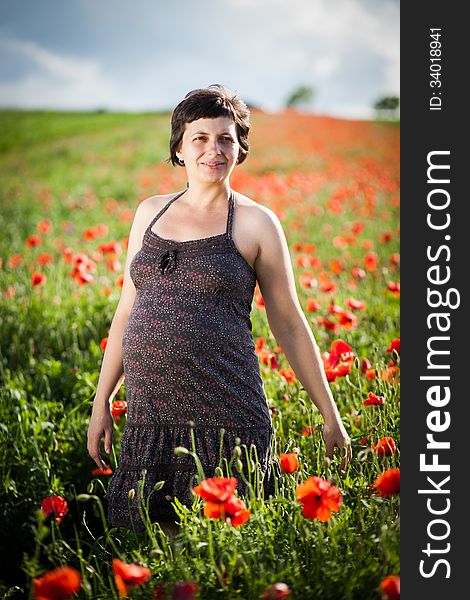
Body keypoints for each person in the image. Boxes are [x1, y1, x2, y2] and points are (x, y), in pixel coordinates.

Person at [87, 84, 351, 535]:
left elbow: (288, 321)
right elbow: (127, 309)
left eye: (226, 138)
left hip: (225, 415)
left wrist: (331, 416)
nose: (214, 149)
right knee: (145, 544)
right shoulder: (149, 212)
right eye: (201, 138)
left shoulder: (255, 222)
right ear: (179, 148)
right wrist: (102, 399)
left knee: (216, 549)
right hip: (151, 415)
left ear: (240, 148)